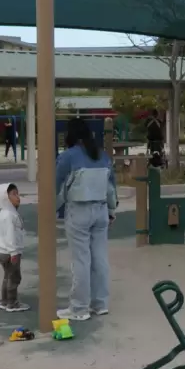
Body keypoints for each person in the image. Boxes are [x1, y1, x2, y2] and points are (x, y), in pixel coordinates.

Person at [56, 117, 118, 321]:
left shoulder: (68, 157)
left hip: (79, 211)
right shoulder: (103, 156)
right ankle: (100, 304)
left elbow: (55, 185)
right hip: (101, 210)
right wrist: (111, 210)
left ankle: (79, 308)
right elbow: (111, 187)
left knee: (81, 260)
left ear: (70, 135)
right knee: (100, 258)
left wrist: (50, 211)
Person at [0, 182, 29, 312]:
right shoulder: (9, 215)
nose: (18, 197)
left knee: (7, 276)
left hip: (3, 251)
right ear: (5, 198)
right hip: (10, 252)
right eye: (13, 194)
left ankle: (4, 301)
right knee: (14, 278)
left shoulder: (5, 212)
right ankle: (12, 303)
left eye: (17, 193)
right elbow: (10, 235)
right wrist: (14, 252)